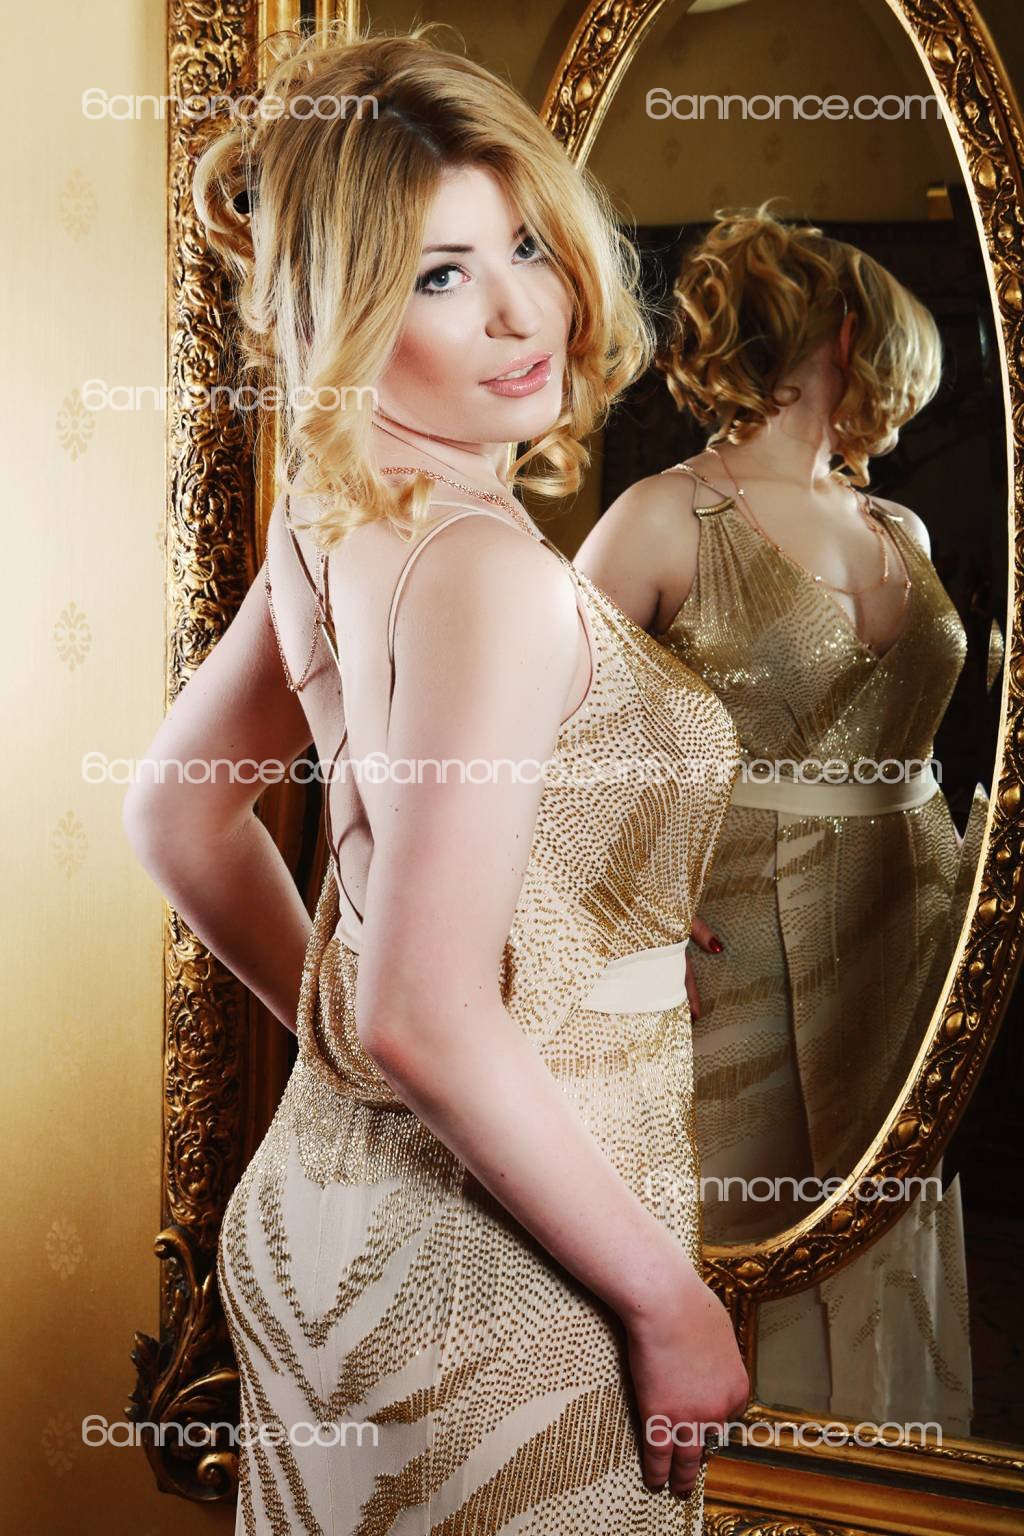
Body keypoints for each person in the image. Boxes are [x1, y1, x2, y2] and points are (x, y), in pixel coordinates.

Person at [123, 24, 749, 1533]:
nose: (523, 311)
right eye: (438, 275)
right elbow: (423, 1010)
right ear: (339, 310)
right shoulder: (486, 571)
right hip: (482, 1282)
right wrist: (669, 1302)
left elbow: (179, 816)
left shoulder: (339, 515)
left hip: (322, 1224)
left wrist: (446, 997)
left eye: (524, 244)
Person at [574, 205, 982, 1431]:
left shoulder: (896, 525)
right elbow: (545, 753)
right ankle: (744, 1473)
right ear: (850, 337)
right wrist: (629, 923)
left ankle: (882, 1462)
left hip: (912, 926)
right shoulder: (660, 516)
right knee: (747, 1207)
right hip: (740, 925)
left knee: (887, 1208)